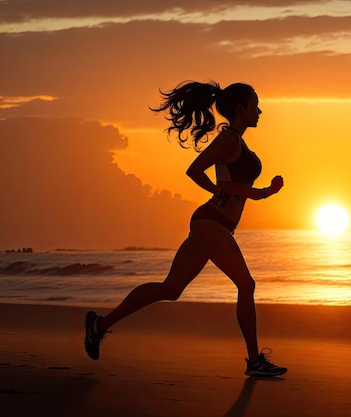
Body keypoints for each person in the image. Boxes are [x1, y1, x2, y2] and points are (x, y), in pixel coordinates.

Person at [83, 80, 287, 377]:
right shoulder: (229, 139)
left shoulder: (237, 142)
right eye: (255, 104)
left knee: (171, 288)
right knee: (246, 285)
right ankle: (254, 361)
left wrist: (268, 191)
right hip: (211, 223)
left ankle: (99, 325)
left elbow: (239, 190)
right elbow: (194, 171)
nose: (260, 111)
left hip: (213, 225)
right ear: (241, 109)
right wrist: (217, 193)